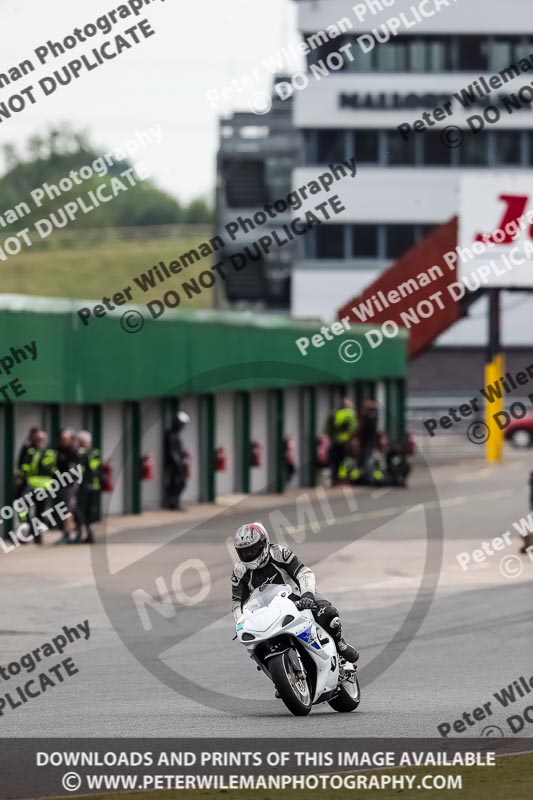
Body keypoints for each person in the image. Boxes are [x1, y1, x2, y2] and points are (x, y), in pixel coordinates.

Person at [231, 522, 359, 663]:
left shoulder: (280, 553)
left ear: (264, 543)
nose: (249, 554)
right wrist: (240, 623)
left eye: (252, 549)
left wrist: (307, 594)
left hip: (298, 598)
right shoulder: (239, 571)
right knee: (256, 648)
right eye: (244, 551)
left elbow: (304, 573)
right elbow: (238, 603)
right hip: (266, 610)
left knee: (328, 613)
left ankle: (340, 644)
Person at [20, 430, 57, 545]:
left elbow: (25, 466)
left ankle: (32, 534)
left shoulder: (32, 451)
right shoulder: (51, 452)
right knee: (38, 512)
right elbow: (54, 469)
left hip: (32, 485)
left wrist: (22, 477)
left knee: (26, 510)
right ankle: (35, 534)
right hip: (45, 486)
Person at [75, 431, 102, 544]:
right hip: (81, 486)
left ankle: (89, 532)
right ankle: (82, 531)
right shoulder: (78, 453)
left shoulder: (94, 452)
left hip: (91, 486)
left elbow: (92, 467)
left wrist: (83, 455)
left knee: (88, 511)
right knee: (79, 510)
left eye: (81, 442)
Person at [55, 427, 79, 544]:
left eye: (66, 438)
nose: (63, 440)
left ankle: (69, 534)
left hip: (68, 486)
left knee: (67, 510)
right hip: (57, 485)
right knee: (61, 510)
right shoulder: (57, 451)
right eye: (62, 438)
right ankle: (66, 532)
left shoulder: (72, 452)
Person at [325, 398, 358, 485]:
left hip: (336, 441)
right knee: (345, 461)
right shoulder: (350, 414)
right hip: (345, 441)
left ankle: (336, 479)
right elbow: (354, 428)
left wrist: (332, 437)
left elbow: (328, 428)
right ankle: (343, 480)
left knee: (336, 461)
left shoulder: (335, 413)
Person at [163, 411, 190, 511]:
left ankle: (175, 501)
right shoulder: (170, 434)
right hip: (173, 465)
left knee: (181, 483)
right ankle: (172, 503)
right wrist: (178, 463)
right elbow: (172, 452)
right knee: (176, 483)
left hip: (178, 464)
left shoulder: (176, 435)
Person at [358, 399, 379, 475]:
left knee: (367, 456)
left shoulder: (371, 414)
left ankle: (368, 473)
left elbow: (367, 427)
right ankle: (366, 472)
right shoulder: (370, 414)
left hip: (368, 439)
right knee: (365, 455)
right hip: (366, 439)